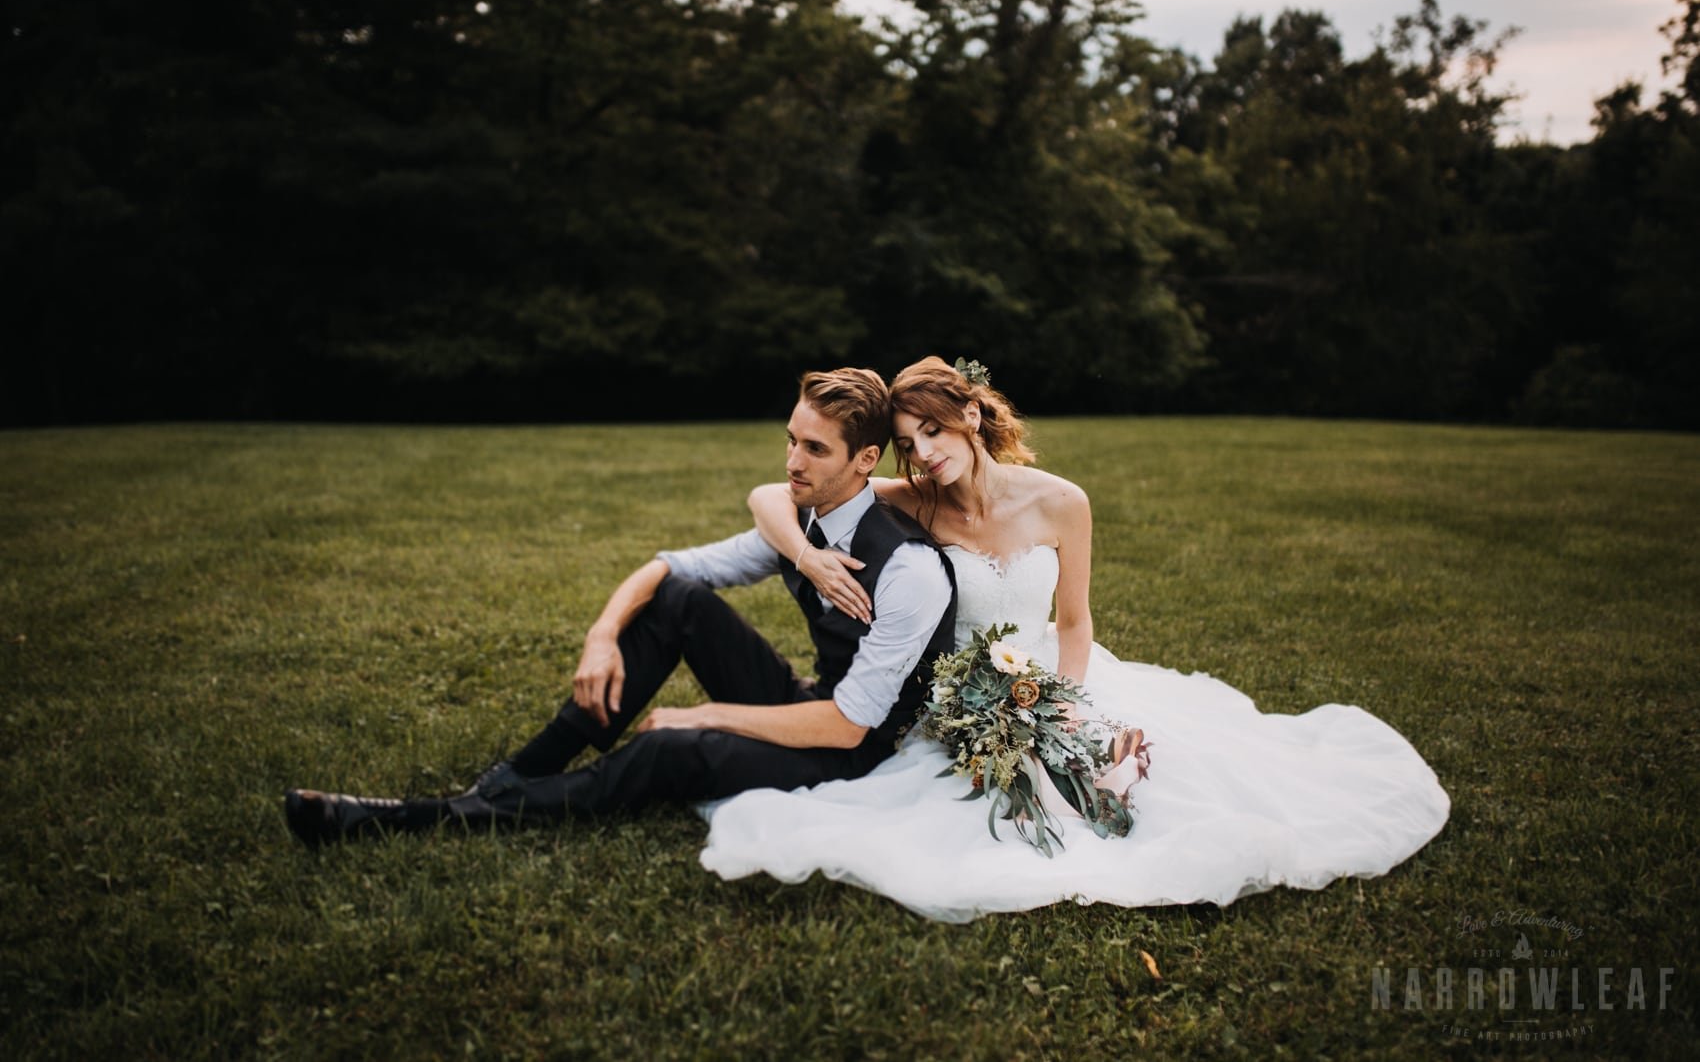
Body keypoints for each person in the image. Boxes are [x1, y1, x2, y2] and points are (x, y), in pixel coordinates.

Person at [701, 356, 1450, 921]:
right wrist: (804, 554)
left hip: (1058, 676)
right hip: (955, 697)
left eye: (932, 429)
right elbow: (770, 496)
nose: (923, 452)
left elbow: (1074, 622)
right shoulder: (912, 501)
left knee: (1150, 786)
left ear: (970, 411)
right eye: (906, 441)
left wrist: (1064, 702)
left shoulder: (1062, 502)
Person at [283, 368, 956, 846]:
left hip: (856, 749)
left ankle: (438, 815)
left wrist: (704, 715)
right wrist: (603, 634)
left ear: (866, 459)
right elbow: (672, 566)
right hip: (812, 700)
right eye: (790, 439)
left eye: (814, 449)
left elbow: (846, 727)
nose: (792, 462)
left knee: (670, 750)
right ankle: (523, 769)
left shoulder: (910, 570)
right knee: (678, 600)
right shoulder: (803, 523)